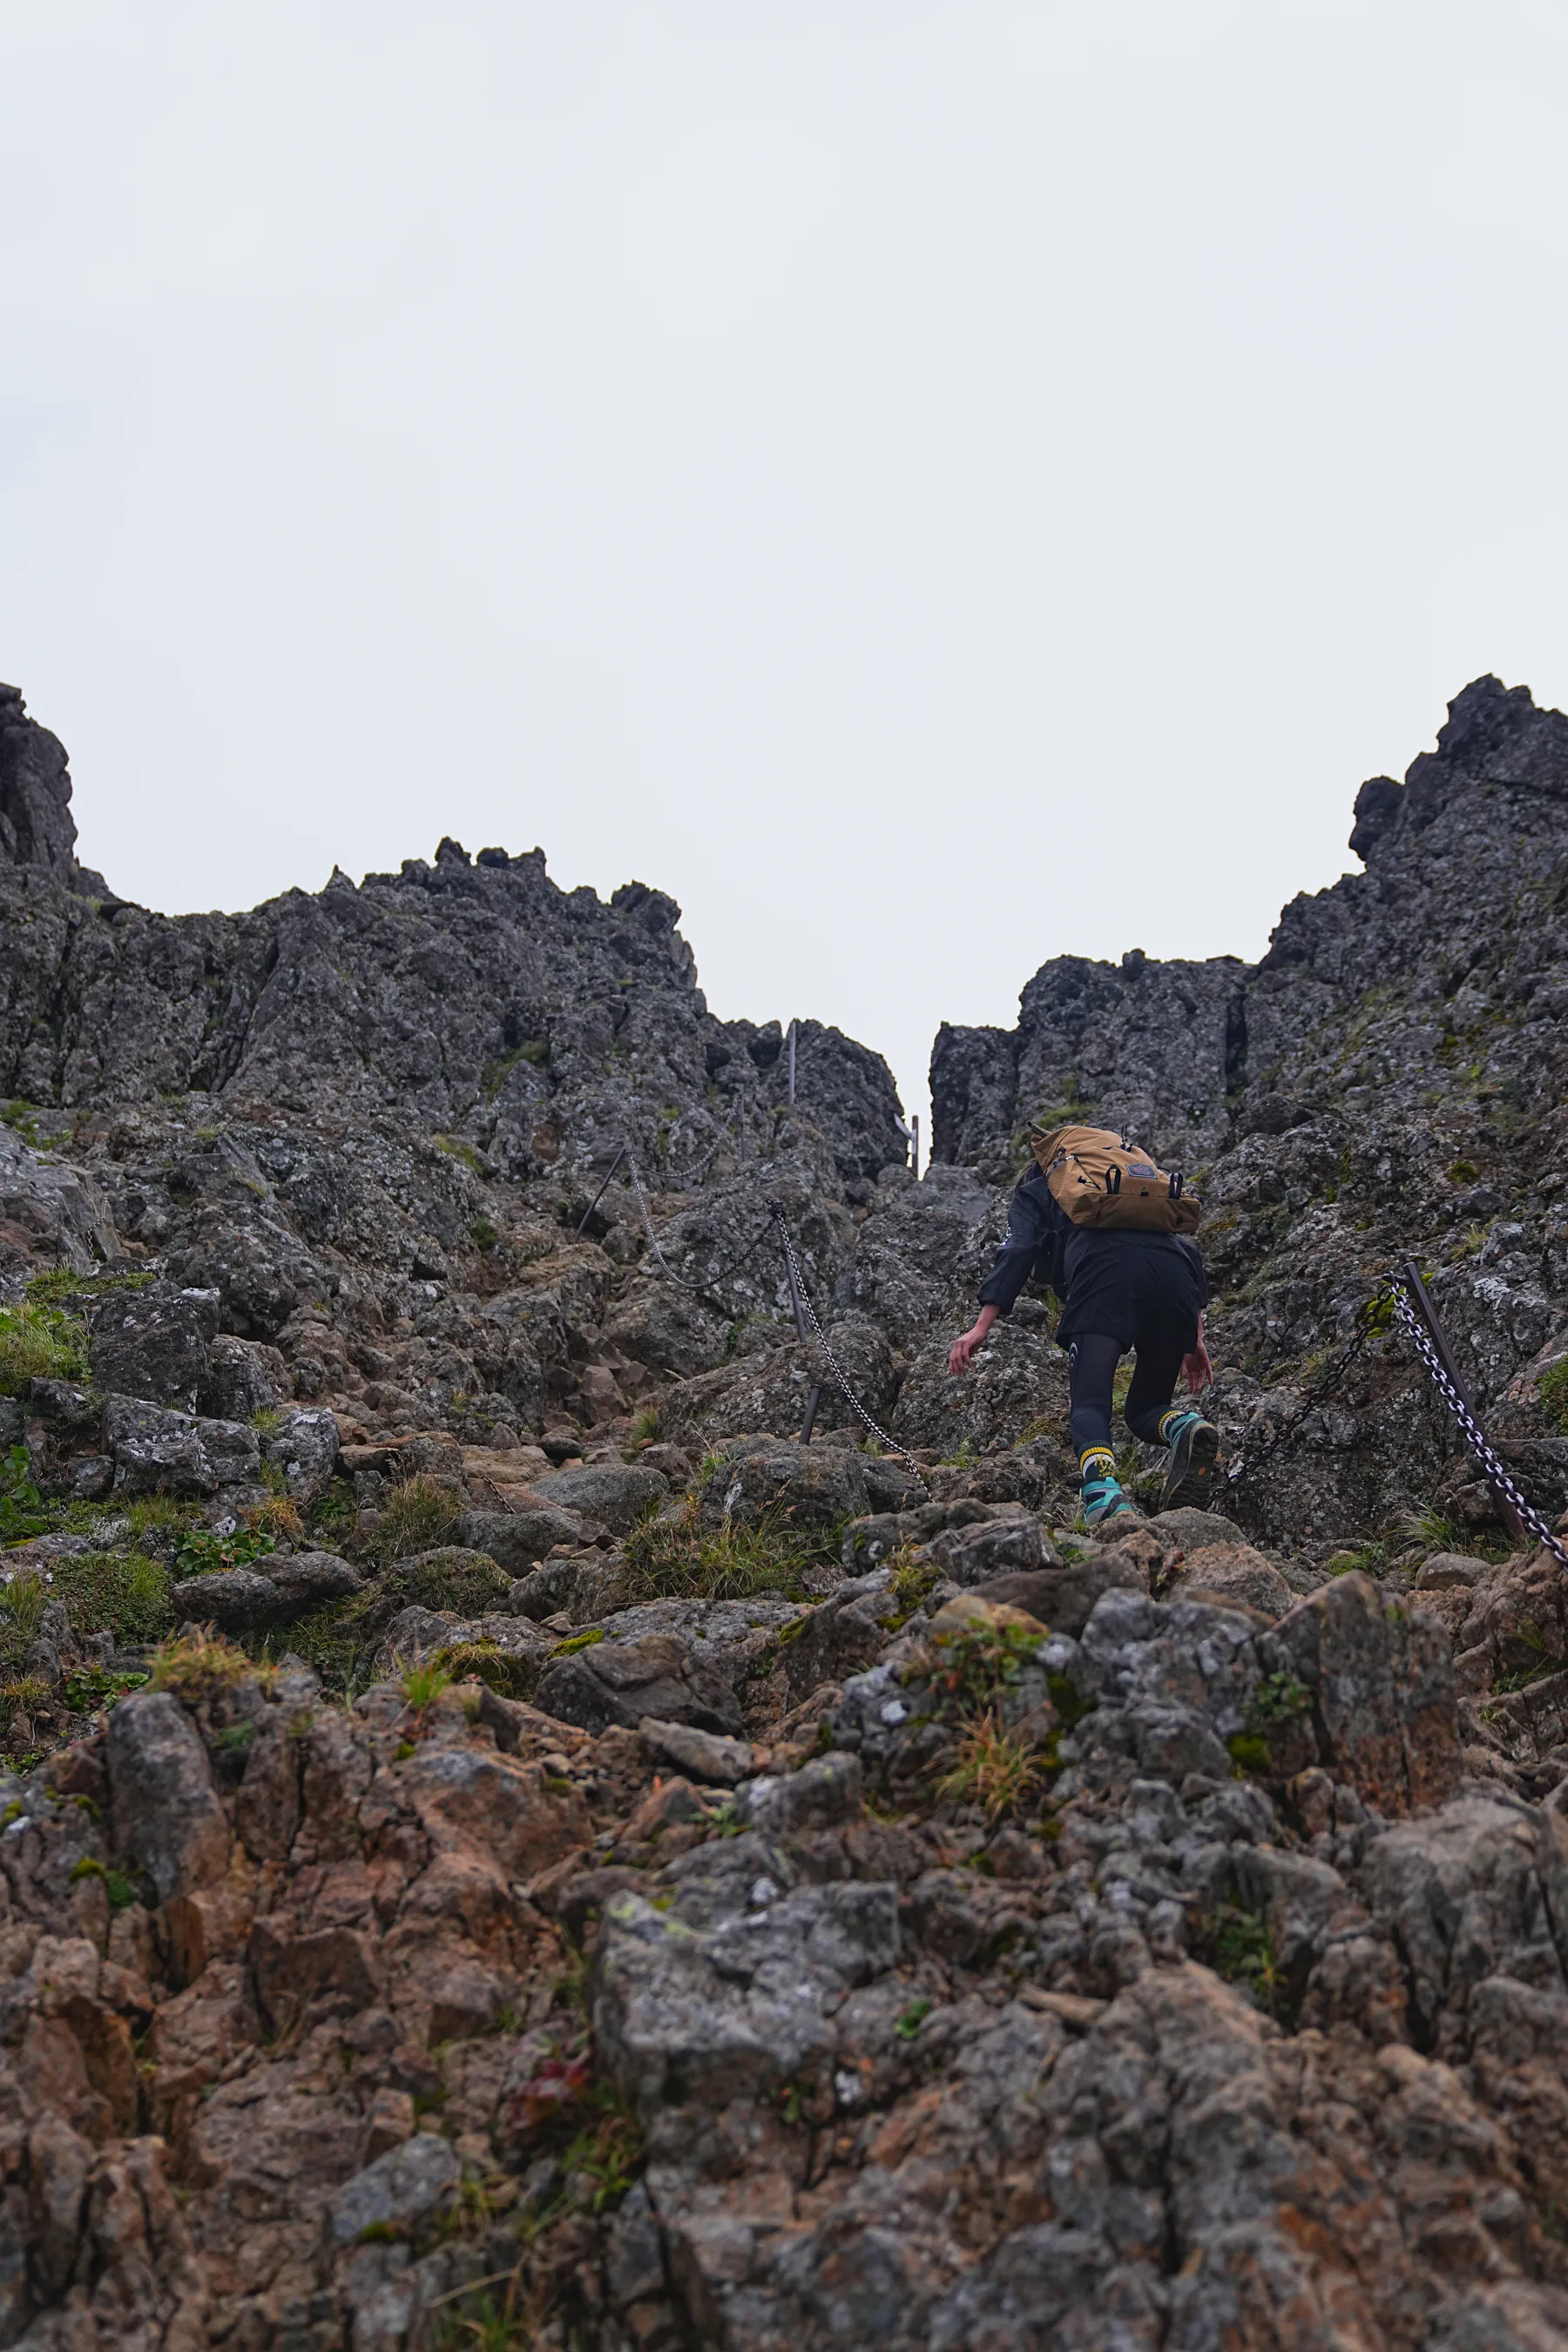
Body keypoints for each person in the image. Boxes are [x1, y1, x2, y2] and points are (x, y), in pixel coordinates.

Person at [948, 1146, 1219, 1527]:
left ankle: (1104, 1497)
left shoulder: (1039, 1187)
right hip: (1175, 1282)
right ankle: (1186, 1427)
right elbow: (1187, 1251)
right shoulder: (1134, 1196)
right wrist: (1195, 1336)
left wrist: (980, 1327)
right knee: (1145, 1410)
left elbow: (1019, 1248)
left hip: (1103, 1277)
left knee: (1090, 1406)